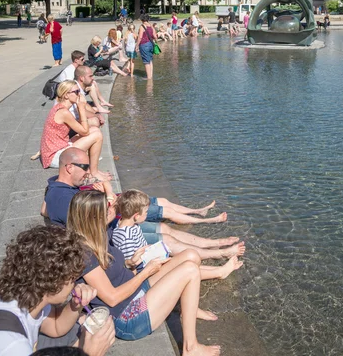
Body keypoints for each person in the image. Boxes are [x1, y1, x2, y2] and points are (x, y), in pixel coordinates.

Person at [67, 191, 221, 354]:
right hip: (127, 316)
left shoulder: (100, 234)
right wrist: (146, 272)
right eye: (107, 208)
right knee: (190, 271)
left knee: (191, 256)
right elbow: (112, 298)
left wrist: (129, 262)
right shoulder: (85, 255)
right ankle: (190, 348)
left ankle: (188, 307)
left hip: (136, 290)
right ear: (94, 218)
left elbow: (111, 270)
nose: (113, 208)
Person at [42, 148, 243, 261]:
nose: (88, 171)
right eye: (84, 167)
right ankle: (220, 252)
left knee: (165, 228)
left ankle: (215, 243)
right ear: (68, 167)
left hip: (121, 223)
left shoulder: (57, 186)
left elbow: (46, 209)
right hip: (117, 232)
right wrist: (110, 198)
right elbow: (92, 224)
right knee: (168, 239)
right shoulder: (62, 198)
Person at [0, 225, 115, 356]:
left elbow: (55, 327)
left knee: (79, 325)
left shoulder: (27, 294)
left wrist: (75, 305)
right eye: (73, 278)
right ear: (56, 281)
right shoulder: (13, 346)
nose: (74, 284)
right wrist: (90, 354)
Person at [112, 190, 244, 281]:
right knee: (180, 267)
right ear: (136, 215)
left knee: (178, 261)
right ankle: (220, 272)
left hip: (149, 261)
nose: (147, 215)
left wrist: (153, 249)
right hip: (147, 270)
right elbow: (133, 266)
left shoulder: (127, 226)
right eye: (146, 212)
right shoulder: (126, 237)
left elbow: (137, 251)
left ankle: (219, 268)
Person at [40, 80, 110, 182]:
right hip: (54, 156)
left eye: (79, 91)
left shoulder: (61, 108)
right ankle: (93, 172)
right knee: (97, 135)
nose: (79, 94)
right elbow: (85, 132)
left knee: (94, 129)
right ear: (66, 95)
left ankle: (93, 169)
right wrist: (81, 107)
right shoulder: (63, 112)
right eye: (76, 92)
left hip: (59, 146)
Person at [135, 15, 156, 80]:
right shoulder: (151, 26)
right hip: (151, 44)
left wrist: (137, 45)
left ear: (142, 20)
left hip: (144, 45)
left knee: (146, 62)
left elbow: (140, 37)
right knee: (150, 60)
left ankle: (148, 78)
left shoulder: (142, 27)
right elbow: (155, 36)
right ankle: (151, 76)